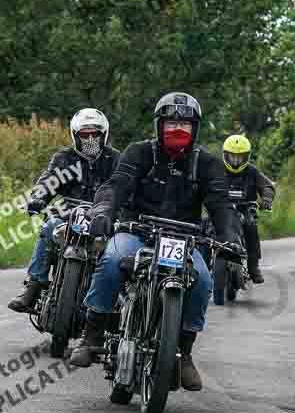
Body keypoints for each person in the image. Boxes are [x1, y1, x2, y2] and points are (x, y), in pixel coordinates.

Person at [70, 92, 242, 392]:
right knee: (111, 260)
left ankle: (184, 353)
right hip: (137, 232)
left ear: (195, 128)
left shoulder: (208, 164)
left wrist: (231, 238)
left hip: (183, 240)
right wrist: (103, 212)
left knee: (201, 279)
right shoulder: (139, 153)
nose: (178, 130)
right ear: (159, 125)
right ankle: (92, 332)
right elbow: (116, 186)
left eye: (185, 124)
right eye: (172, 123)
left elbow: (222, 206)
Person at [8, 109, 120, 313]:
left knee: (117, 251)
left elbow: (124, 189)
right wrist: (38, 199)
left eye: (95, 134)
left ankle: (114, 305)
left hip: (102, 221)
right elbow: (48, 182)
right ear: (75, 135)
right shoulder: (64, 158)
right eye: (85, 134)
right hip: (68, 217)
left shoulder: (115, 160)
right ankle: (34, 286)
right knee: (49, 226)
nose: (90, 139)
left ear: (103, 135)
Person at [221, 134, 275, 284]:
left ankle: (253, 267)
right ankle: (202, 267)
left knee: (251, 226)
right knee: (205, 226)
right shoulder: (216, 169)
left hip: (245, 209)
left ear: (247, 157)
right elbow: (204, 184)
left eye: (240, 157)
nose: (236, 161)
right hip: (221, 208)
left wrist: (266, 199)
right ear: (225, 155)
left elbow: (267, 186)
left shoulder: (252, 171)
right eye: (232, 157)